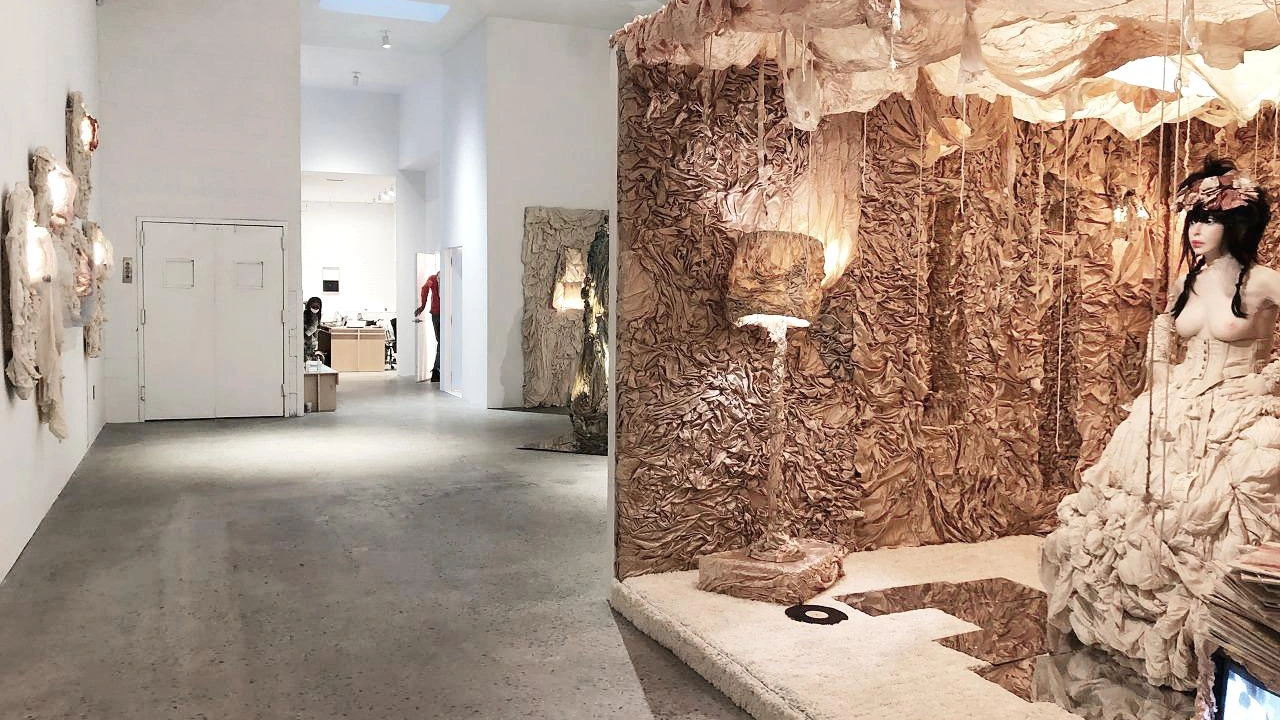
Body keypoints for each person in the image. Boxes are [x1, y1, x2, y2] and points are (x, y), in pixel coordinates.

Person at [1042, 158, 1280, 690]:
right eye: (1193, 219)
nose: (1197, 230)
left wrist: (1267, 382)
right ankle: (1130, 617)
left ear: (1236, 224)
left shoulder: (1262, 279)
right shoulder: (1189, 279)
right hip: (1176, 405)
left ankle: (1225, 637)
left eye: (1209, 219)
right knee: (1131, 512)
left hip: (1235, 406)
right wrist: (1160, 378)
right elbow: (1163, 331)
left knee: (1223, 497)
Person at [414, 272, 441, 382]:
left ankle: (437, 371)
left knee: (441, 342)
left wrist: (423, 306)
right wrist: (423, 306)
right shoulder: (434, 279)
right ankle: (436, 371)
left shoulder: (433, 279)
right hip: (440, 314)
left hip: (437, 313)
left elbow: (424, 288)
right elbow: (424, 288)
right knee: (442, 342)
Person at [303, 296, 323, 362]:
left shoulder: (317, 315)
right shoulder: (305, 314)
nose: (315, 308)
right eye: (313, 306)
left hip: (311, 340)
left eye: (317, 306)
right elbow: (307, 330)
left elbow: (315, 327)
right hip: (306, 339)